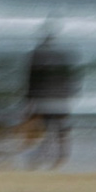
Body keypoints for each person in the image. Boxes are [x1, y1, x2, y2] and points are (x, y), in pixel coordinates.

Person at [23, 22, 79, 169]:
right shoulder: (64, 55)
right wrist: (71, 94)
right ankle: (62, 156)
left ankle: (43, 157)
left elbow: (31, 81)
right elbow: (71, 77)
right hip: (61, 99)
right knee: (62, 129)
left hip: (44, 99)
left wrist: (29, 103)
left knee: (46, 130)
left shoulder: (36, 54)